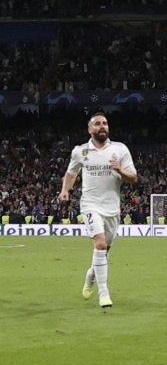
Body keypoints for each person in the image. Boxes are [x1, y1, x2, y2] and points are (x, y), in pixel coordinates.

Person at [58, 112, 138, 308]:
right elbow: (71, 173)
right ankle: (104, 293)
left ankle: (91, 275)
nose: (102, 126)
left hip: (112, 208)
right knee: (100, 244)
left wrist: (120, 171)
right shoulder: (80, 151)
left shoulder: (120, 149)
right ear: (89, 129)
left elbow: (134, 178)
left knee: (105, 249)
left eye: (105, 123)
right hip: (90, 204)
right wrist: (65, 191)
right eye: (97, 124)